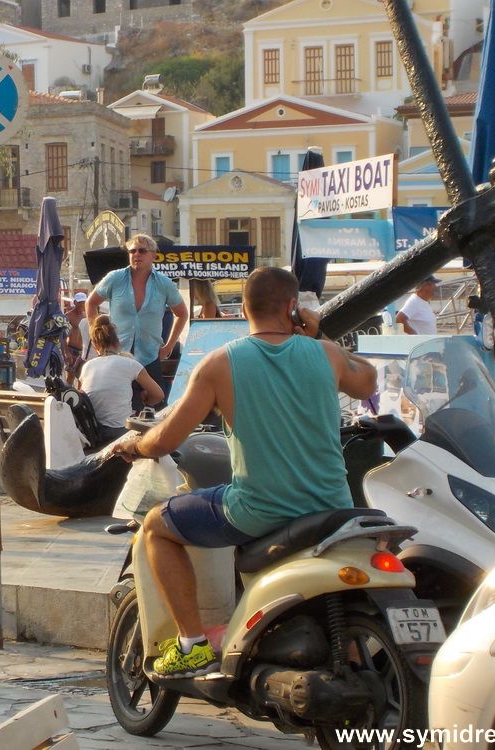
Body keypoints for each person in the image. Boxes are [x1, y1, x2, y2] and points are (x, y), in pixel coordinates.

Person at [111, 267, 377, 678]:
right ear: (292, 308)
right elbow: (368, 382)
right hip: (332, 507)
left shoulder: (219, 364)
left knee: (155, 526)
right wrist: (318, 333)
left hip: (258, 510)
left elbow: (164, 440)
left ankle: (192, 644)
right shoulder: (325, 354)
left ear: (244, 309)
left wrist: (133, 445)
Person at [86, 233, 188, 406]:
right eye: (132, 251)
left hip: (149, 356)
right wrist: (98, 339)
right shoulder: (115, 278)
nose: (136, 255)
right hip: (117, 355)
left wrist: (169, 347)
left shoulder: (164, 283)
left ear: (153, 255)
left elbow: (182, 313)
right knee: (119, 409)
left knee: (156, 410)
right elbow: (90, 303)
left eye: (142, 251)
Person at [77, 315, 165, 444]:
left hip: (93, 432)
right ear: (117, 342)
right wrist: (145, 400)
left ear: (95, 345)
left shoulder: (87, 367)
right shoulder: (130, 364)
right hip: (119, 432)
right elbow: (159, 395)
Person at [64, 292, 88, 383]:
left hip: (83, 351)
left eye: (83, 302)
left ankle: (80, 396)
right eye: (80, 302)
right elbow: (63, 336)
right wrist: (66, 352)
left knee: (83, 378)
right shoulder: (68, 316)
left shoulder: (85, 316)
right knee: (70, 377)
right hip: (71, 349)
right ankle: (66, 394)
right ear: (75, 302)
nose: (82, 304)